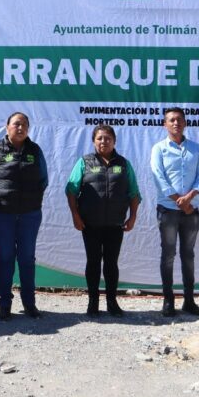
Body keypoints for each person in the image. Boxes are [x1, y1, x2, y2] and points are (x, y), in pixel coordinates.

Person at [0, 112, 48, 320]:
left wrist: (31, 198)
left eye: (24, 125)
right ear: (7, 126)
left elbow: (44, 179)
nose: (20, 128)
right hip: (1, 214)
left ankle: (29, 304)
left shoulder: (35, 150)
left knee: (27, 258)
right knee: (5, 257)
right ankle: (5, 305)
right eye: (16, 124)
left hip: (30, 214)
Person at [65, 124, 141, 317]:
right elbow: (71, 190)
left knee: (111, 264)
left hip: (115, 224)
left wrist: (132, 217)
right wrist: (75, 215)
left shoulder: (124, 164)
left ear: (114, 141)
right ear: (93, 141)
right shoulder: (85, 162)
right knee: (93, 263)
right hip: (90, 224)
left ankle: (112, 302)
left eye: (107, 138)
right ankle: (93, 303)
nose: (103, 141)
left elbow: (134, 193)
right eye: (99, 138)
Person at [150, 107, 199, 317]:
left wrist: (190, 197)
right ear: (165, 124)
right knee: (168, 255)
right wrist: (179, 201)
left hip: (191, 210)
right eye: (171, 120)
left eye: (179, 120)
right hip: (168, 210)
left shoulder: (195, 148)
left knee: (188, 255)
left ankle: (189, 301)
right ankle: (168, 301)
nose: (176, 123)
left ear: (185, 123)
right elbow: (158, 176)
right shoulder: (159, 149)